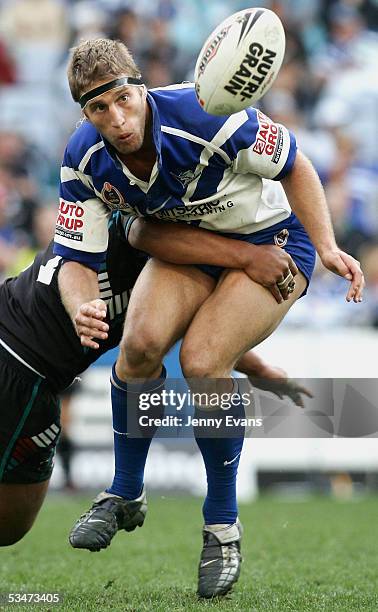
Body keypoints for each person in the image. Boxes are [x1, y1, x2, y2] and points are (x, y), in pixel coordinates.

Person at [55, 39, 364, 598]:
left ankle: (222, 525)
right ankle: (126, 490)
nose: (117, 120)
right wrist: (82, 305)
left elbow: (295, 162)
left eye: (124, 99)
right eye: (100, 110)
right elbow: (76, 259)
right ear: (84, 113)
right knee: (141, 345)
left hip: (275, 244)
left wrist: (325, 245)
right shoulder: (83, 157)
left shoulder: (211, 114)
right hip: (197, 247)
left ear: (141, 87)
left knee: (202, 360)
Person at [0, 210, 310, 547]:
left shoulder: (170, 276)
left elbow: (198, 333)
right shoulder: (131, 226)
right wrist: (249, 256)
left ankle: (132, 494)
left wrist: (259, 369)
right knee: (10, 525)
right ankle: (132, 492)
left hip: (39, 384)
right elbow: (117, 245)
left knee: (11, 528)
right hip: (18, 363)